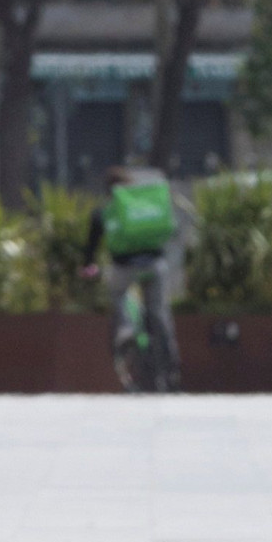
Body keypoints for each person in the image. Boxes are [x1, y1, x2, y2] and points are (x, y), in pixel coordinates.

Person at [87, 162, 181, 392]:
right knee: (158, 312)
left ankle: (126, 327)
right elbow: (171, 230)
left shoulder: (104, 211)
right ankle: (169, 361)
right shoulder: (147, 203)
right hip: (154, 264)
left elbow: (91, 246)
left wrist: (88, 264)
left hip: (124, 266)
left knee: (116, 293)